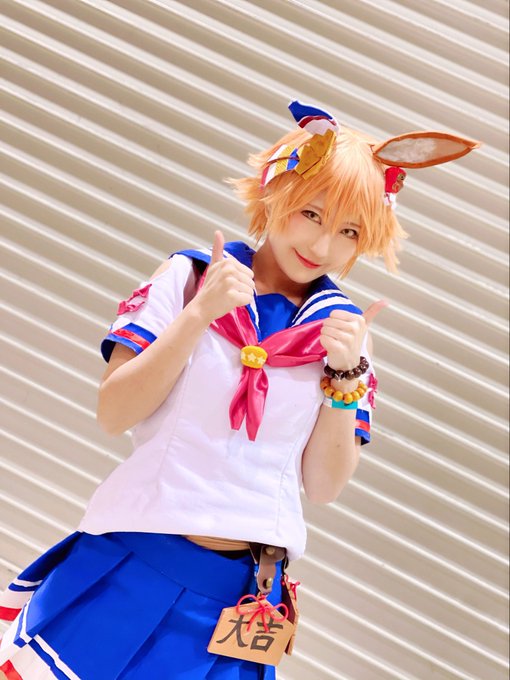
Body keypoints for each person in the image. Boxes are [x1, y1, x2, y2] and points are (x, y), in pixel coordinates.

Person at [0, 101, 479, 679]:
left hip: (237, 599)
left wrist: (345, 375)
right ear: (275, 191)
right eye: (311, 213)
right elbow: (114, 412)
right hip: (133, 561)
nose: (322, 245)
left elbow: (324, 487)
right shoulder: (190, 278)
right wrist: (198, 315)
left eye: (349, 231)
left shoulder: (345, 334)